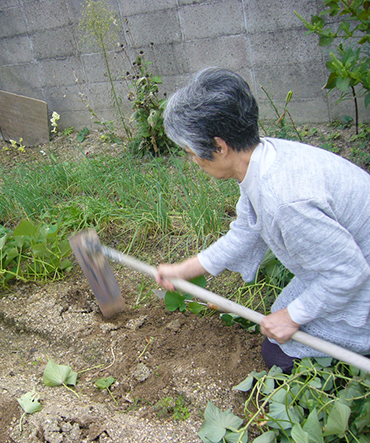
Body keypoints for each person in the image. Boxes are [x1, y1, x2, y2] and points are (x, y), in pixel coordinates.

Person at [156, 68, 370, 373]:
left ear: (219, 146)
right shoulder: (266, 157)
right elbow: (246, 231)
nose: (193, 161)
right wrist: (183, 270)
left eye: (192, 152)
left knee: (278, 356)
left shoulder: (287, 202)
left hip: (361, 279)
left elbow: (349, 273)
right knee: (278, 320)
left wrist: (294, 316)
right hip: (348, 260)